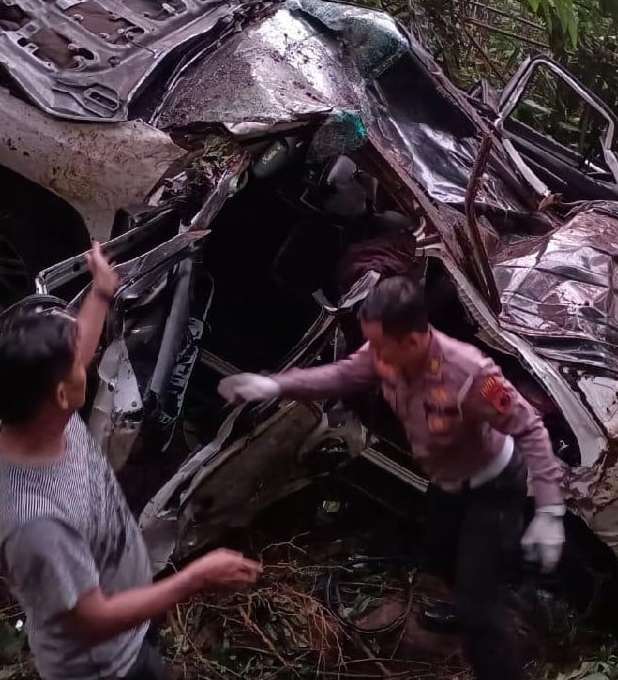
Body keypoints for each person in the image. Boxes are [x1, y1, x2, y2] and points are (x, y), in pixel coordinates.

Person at [218, 275, 565, 680]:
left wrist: (550, 510)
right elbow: (342, 375)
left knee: (478, 611)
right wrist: (273, 385)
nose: (374, 358)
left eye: (382, 348)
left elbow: (530, 429)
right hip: (446, 483)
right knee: (440, 558)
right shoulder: (385, 350)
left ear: (414, 339)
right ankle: (470, 598)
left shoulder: (471, 373)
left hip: (492, 487)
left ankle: (495, 653)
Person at [0, 243, 261, 680]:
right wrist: (194, 579)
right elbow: (91, 621)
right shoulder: (37, 525)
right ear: (61, 392)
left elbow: (77, 351)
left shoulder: (32, 416)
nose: (86, 356)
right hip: (106, 662)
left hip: (129, 600)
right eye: (77, 363)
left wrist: (102, 293)